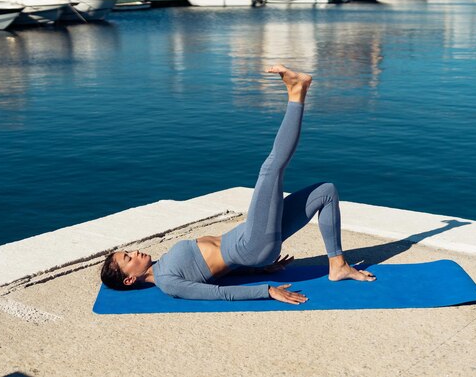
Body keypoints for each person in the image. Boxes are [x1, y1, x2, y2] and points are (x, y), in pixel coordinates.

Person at [100, 65, 375, 305]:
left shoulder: (164, 264)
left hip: (251, 244)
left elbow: (220, 270)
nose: (134, 251)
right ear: (130, 279)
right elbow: (216, 293)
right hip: (251, 244)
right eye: (128, 258)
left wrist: (258, 271)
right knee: (270, 168)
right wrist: (266, 290)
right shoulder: (168, 282)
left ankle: (337, 265)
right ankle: (297, 92)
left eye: (128, 251)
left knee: (325, 192)